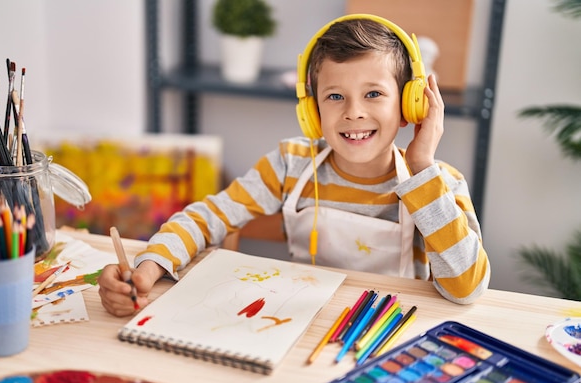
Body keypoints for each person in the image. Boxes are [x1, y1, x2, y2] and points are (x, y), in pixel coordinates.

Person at [98, 14, 490, 317]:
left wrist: (422, 167)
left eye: (374, 94)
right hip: (296, 326)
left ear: (410, 107)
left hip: (382, 340)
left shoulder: (438, 185)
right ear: (312, 111)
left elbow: (467, 287)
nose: (354, 113)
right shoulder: (291, 164)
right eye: (335, 96)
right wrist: (148, 268)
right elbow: (208, 216)